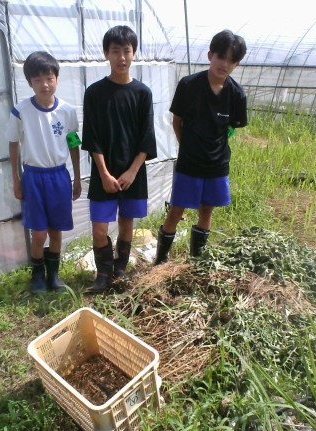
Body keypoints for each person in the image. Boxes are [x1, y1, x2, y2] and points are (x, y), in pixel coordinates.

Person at [154, 30, 247, 265]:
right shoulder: (189, 85)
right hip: (189, 162)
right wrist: (187, 146)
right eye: (220, 57)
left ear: (236, 64)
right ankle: (160, 259)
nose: (224, 64)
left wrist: (217, 145)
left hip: (216, 164)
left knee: (207, 210)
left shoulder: (237, 94)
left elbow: (232, 127)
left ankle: (197, 261)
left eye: (231, 60)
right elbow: (177, 121)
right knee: (176, 210)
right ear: (210, 55)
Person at [82, 25, 157, 294]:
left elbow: (147, 137)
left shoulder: (142, 93)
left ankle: (120, 271)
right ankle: (103, 274)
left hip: (132, 172)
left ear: (134, 53)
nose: (122, 57)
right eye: (116, 51)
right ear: (106, 54)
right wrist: (103, 173)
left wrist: (133, 171)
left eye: (127, 51)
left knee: (127, 223)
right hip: (104, 171)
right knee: (99, 228)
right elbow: (92, 137)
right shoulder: (94, 93)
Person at [5, 51, 82, 294]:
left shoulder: (67, 111)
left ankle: (54, 277)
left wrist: (77, 177)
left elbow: (73, 142)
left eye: (49, 78)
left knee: (56, 230)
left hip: (59, 176)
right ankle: (37, 275)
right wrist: (16, 179)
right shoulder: (21, 111)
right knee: (38, 233)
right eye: (38, 80)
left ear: (56, 79)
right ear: (30, 82)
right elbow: (13, 144)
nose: (45, 85)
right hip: (33, 177)